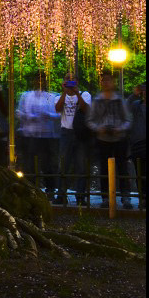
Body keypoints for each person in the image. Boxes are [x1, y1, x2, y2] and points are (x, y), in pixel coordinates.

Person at [88, 70, 133, 209]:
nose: (106, 83)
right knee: (103, 168)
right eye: (103, 80)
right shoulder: (97, 100)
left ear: (113, 82)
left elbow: (128, 119)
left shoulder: (119, 100)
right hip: (103, 138)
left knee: (122, 167)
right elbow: (90, 120)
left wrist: (120, 128)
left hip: (119, 137)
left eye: (108, 80)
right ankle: (106, 197)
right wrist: (98, 128)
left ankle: (126, 196)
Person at [15, 72, 60, 196]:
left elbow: (59, 115)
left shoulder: (51, 97)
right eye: (37, 79)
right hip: (30, 134)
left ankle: (50, 188)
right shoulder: (27, 96)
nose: (39, 82)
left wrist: (49, 115)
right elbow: (19, 112)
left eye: (42, 80)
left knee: (47, 163)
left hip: (46, 135)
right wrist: (28, 116)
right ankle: (31, 187)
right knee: (29, 163)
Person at [55, 78, 92, 206]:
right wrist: (65, 92)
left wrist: (76, 93)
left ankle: (80, 195)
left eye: (72, 80)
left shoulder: (85, 94)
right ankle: (61, 194)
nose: (70, 82)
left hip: (80, 133)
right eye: (67, 80)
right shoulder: (59, 96)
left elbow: (86, 109)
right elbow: (57, 109)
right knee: (63, 164)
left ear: (77, 82)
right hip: (66, 132)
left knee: (81, 166)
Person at [126, 83, 145, 208]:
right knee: (140, 172)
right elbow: (125, 106)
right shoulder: (137, 105)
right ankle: (143, 198)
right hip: (138, 143)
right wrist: (134, 94)